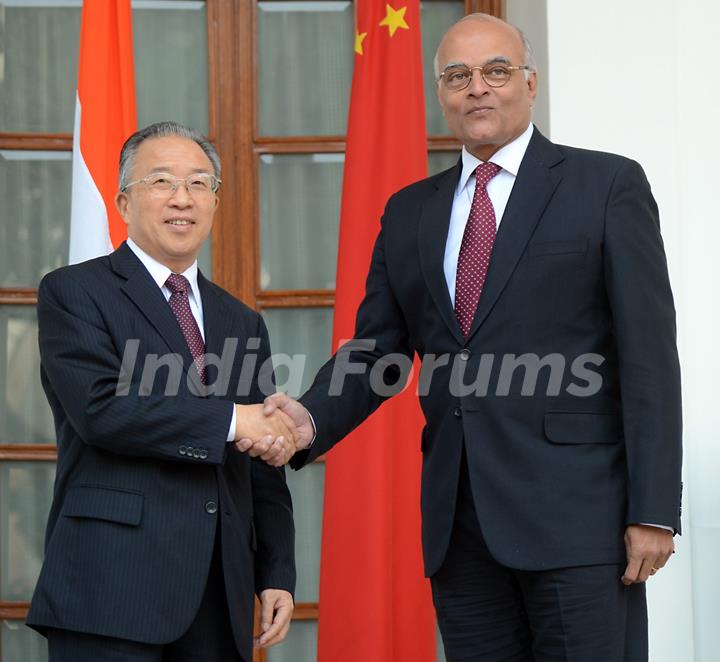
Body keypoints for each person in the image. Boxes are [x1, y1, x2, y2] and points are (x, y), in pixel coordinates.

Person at [260, 13, 682, 661]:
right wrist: (309, 419)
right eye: (458, 76)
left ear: (530, 83)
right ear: (441, 93)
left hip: (581, 524)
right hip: (462, 530)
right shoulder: (410, 211)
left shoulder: (606, 187)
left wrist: (652, 510)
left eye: (495, 71)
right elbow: (379, 351)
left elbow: (649, 358)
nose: (477, 88)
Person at [27, 121, 298, 662]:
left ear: (215, 203)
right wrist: (232, 421)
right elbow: (101, 408)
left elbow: (261, 457)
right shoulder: (74, 292)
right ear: (124, 201)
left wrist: (277, 572)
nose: (183, 199)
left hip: (219, 594)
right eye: (162, 182)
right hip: (111, 591)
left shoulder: (241, 320)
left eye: (200, 184)